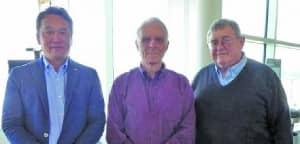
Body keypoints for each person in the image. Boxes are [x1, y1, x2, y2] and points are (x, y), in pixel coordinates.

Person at [2, 6, 106, 144]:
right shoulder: (19, 76)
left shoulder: (89, 76)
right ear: (38, 38)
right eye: (49, 32)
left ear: (71, 37)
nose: (56, 38)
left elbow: (96, 121)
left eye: (63, 32)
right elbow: (11, 124)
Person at [192, 18, 292, 144]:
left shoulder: (266, 78)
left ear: (241, 41)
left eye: (226, 40)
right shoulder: (200, 78)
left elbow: (282, 130)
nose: (219, 47)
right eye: (214, 42)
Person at [106, 17, 195, 144]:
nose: (152, 44)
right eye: (146, 39)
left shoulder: (182, 85)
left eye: (158, 40)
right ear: (137, 44)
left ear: (166, 45)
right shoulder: (120, 84)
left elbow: (188, 131)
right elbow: (114, 132)